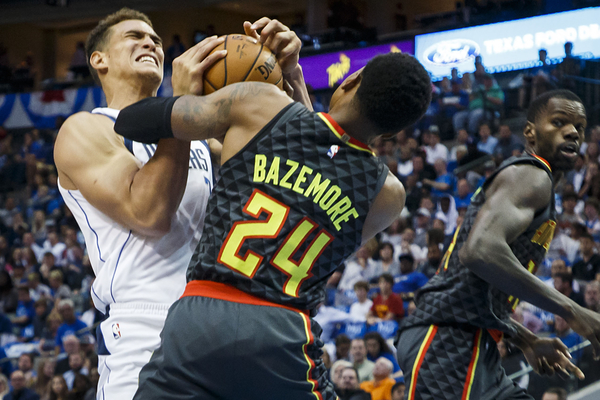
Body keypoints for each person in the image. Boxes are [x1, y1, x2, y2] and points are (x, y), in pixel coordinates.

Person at [114, 51, 431, 399]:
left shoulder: (261, 103)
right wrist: (293, 82)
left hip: (201, 313)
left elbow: (131, 122)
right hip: (283, 332)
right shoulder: (387, 195)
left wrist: (187, 97)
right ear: (393, 132)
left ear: (352, 79)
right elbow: (325, 162)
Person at [54, 8, 306, 400]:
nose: (151, 43)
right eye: (135, 36)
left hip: (221, 320)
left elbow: (305, 173)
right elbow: (149, 213)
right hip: (145, 325)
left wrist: (291, 77)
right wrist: (182, 105)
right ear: (99, 59)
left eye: (155, 39)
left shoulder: (203, 140)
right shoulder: (87, 128)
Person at [397, 90, 594, 400]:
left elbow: (474, 286)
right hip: (448, 340)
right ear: (529, 132)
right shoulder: (532, 175)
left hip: (474, 341)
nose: (572, 132)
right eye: (559, 122)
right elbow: (479, 252)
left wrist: (526, 339)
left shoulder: (531, 183)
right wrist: (572, 310)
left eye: (579, 127)